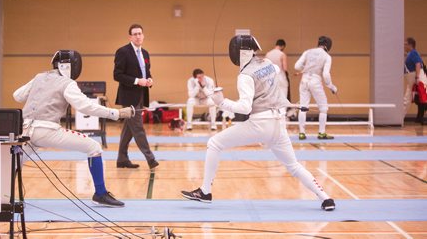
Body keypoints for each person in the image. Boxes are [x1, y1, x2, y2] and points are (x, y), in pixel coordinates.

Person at [181, 35, 335, 211]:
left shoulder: (245, 76)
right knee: (293, 165)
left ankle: (205, 191)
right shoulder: (269, 64)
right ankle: (326, 198)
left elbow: (245, 108)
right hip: (278, 124)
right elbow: (276, 70)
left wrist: (221, 102)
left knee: (214, 143)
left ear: (241, 52)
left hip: (260, 124)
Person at [13, 50, 134, 207]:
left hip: (24, 130)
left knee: (14, 163)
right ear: (70, 66)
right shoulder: (67, 83)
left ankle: (2, 200)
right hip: (47, 131)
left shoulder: (39, 77)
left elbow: (17, 96)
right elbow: (85, 106)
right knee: (94, 147)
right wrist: (116, 113)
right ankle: (100, 193)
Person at [114, 24, 159, 169]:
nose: (138, 36)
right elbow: (117, 75)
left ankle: (122, 159)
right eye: (135, 34)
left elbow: (147, 73)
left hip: (141, 95)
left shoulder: (145, 53)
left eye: (140, 33)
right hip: (128, 97)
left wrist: (149, 80)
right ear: (130, 37)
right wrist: (136, 81)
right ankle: (150, 158)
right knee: (138, 127)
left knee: (128, 128)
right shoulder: (123, 52)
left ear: (143, 35)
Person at [295, 36, 338, 140]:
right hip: (315, 81)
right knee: (323, 108)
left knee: (303, 107)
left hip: (304, 80)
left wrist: (304, 70)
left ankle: (301, 133)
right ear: (328, 45)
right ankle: (321, 133)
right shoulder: (327, 56)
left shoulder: (307, 51)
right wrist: (332, 87)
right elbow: (326, 74)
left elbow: (297, 66)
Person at [404, 37, 427, 124]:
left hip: (417, 78)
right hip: (412, 79)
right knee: (410, 98)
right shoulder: (410, 54)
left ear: (410, 45)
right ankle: (418, 118)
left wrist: (417, 77)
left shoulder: (413, 53)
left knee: (422, 97)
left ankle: (420, 118)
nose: (404, 45)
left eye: (405, 44)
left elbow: (418, 64)